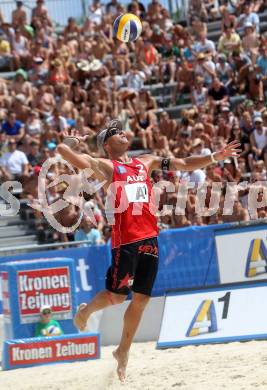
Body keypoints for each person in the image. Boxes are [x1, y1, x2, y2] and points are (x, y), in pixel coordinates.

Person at [57, 119, 241, 382]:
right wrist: (69, 142)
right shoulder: (107, 167)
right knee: (117, 297)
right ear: (107, 144)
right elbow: (65, 154)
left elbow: (184, 163)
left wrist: (215, 156)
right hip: (126, 241)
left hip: (150, 238)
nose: (121, 133)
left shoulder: (145, 161)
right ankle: (85, 312)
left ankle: (123, 351)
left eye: (121, 130)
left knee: (141, 300)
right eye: (115, 132)